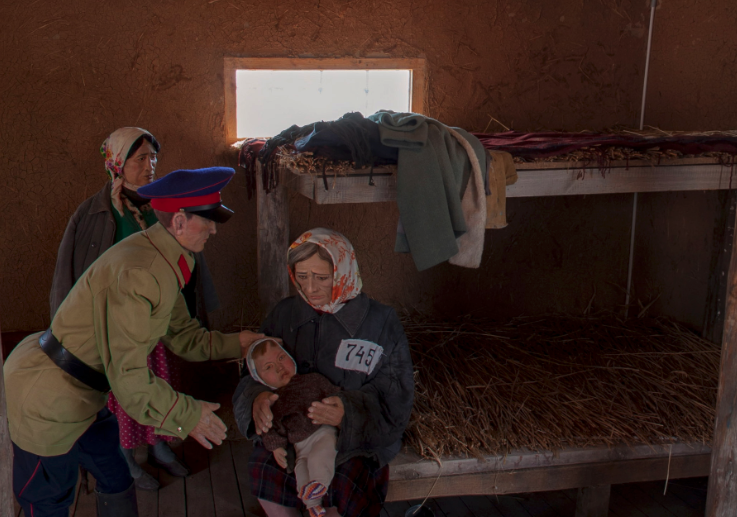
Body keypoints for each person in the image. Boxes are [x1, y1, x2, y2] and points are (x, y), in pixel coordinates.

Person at [4, 167, 263, 517]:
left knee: (115, 476)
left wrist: (240, 344)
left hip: (86, 391)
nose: (214, 229)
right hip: (49, 397)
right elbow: (128, 379)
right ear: (180, 221)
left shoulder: (167, 256)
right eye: (208, 220)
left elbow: (182, 335)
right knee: (50, 501)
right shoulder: (140, 273)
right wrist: (188, 415)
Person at [49, 127, 220, 489]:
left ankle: (159, 446)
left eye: (153, 158)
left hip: (159, 320)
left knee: (158, 383)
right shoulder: (94, 213)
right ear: (117, 164)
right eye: (140, 158)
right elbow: (71, 274)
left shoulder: (162, 206)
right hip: (118, 327)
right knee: (124, 390)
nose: (150, 165)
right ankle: (127, 459)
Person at [233, 228, 415, 517]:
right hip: (292, 431)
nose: (310, 288)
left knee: (345, 482)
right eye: (302, 277)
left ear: (342, 270)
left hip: (354, 441)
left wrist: (348, 414)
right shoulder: (285, 315)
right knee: (264, 467)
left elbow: (397, 395)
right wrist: (257, 399)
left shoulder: (380, 322)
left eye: (321, 278)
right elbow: (252, 373)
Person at [246, 337, 342, 517]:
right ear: (259, 378)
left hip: (322, 431)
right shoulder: (272, 401)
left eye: (281, 358)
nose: (279, 367)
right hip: (299, 445)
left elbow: (335, 394)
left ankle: (320, 484)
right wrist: (276, 448)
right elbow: (270, 429)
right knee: (301, 469)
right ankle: (312, 504)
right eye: (268, 367)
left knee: (319, 457)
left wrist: (339, 407)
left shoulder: (313, 380)